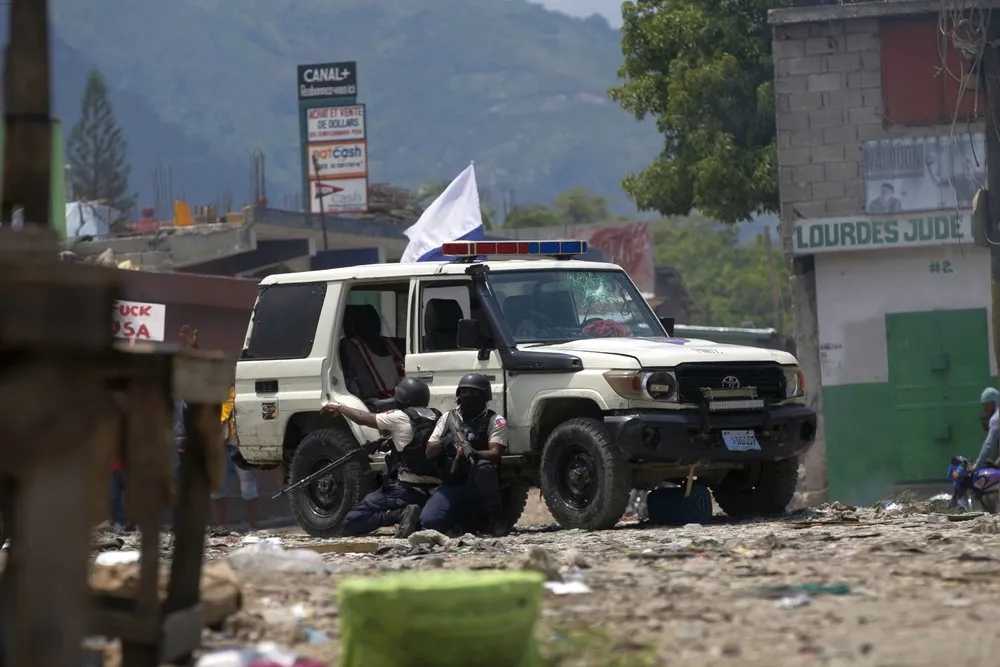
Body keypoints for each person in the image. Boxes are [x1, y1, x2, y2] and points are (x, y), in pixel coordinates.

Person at [323, 377, 441, 538]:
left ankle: (398, 514)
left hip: (406, 489)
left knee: (352, 520)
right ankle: (414, 515)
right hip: (436, 489)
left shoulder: (399, 416)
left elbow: (364, 418)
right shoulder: (436, 416)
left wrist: (341, 408)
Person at [420, 373, 508, 537]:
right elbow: (429, 451)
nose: (467, 398)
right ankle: (460, 520)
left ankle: (497, 517)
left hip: (479, 485)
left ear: (485, 397)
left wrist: (473, 452)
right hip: (453, 483)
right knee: (430, 522)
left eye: (473, 394)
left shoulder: (495, 420)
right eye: (464, 393)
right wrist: (447, 441)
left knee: (484, 468)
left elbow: (495, 453)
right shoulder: (448, 417)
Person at [211, 383, 259, 531]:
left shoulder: (241, 392)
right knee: (217, 489)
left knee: (248, 489)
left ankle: (252, 526)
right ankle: (221, 527)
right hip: (219, 447)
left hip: (240, 447)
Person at [973, 387, 1000, 470]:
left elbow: (988, 445)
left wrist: (975, 467)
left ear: (993, 402)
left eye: (986, 405)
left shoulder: (996, 419)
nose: (985, 409)